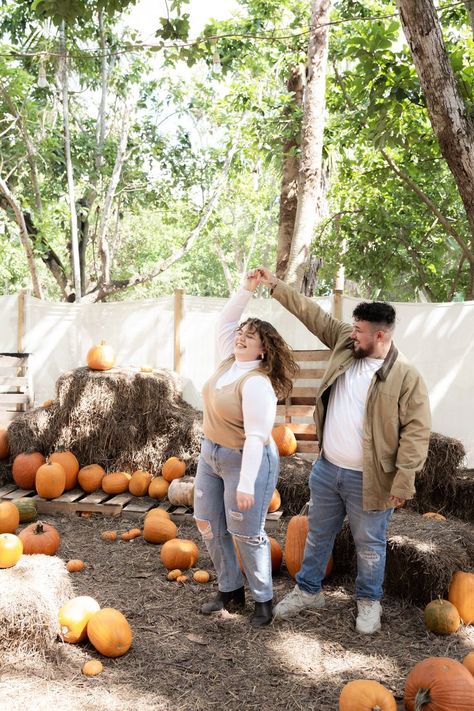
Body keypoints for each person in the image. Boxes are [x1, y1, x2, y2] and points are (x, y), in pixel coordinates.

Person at [256, 266, 431, 634]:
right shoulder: (345, 343)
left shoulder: (406, 377)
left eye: (361, 331)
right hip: (328, 468)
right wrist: (275, 285)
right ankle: (308, 590)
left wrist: (404, 480)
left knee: (369, 545)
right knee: (317, 534)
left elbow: (417, 431)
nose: (353, 334)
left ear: (380, 335)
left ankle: (369, 601)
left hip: (372, 480)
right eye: (352, 327)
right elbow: (311, 313)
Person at [193, 270, 299, 627]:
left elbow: (256, 437)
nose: (239, 337)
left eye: (249, 336)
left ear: (263, 348)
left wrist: (244, 485)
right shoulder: (228, 361)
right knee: (208, 522)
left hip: (245, 461)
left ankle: (263, 600)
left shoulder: (256, 384)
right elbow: (225, 320)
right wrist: (247, 289)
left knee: (246, 533)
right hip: (211, 455)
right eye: (240, 333)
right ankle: (230, 590)